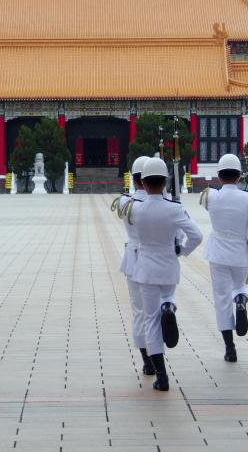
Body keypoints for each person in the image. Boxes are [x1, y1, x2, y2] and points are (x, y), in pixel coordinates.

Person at [126, 157, 203, 391]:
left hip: (145, 269)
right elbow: (197, 235)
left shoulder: (134, 209)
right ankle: (169, 306)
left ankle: (162, 376)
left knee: (150, 321)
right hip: (169, 266)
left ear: (143, 182)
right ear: (165, 181)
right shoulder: (174, 208)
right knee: (167, 296)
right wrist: (181, 250)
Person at [200, 153, 248, 363]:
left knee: (220, 299)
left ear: (219, 175)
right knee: (240, 285)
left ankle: (229, 347)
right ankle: (241, 300)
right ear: (239, 176)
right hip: (239, 252)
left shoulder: (210, 196)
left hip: (218, 252)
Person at [114, 155, 154, 376]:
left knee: (139, 311)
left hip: (133, 258)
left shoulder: (125, 202)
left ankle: (146, 360)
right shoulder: (161, 203)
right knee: (154, 312)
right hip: (156, 259)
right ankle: (158, 358)